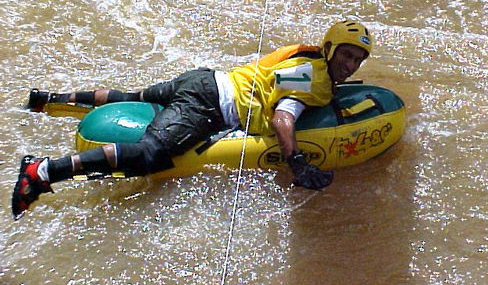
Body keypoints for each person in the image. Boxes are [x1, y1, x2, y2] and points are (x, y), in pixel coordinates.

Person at [12, 20, 372, 219]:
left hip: (204, 79)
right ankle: (43, 171)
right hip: (207, 104)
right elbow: (282, 118)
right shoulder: (317, 84)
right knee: (151, 155)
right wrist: (297, 163)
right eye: (346, 55)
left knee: (134, 97)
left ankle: (48, 101)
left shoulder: (303, 56)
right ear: (331, 49)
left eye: (357, 60)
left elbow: (270, 76)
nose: (350, 65)